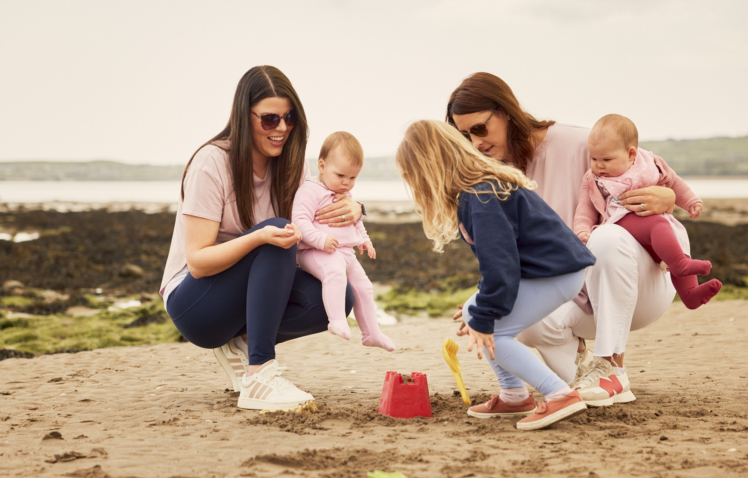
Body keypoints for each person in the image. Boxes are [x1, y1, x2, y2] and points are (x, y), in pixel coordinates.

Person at [446, 72, 681, 407]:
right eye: (465, 134)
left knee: (606, 238)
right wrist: (483, 302)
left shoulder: (580, 143)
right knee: (508, 312)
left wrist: (667, 197)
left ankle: (613, 367)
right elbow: (510, 258)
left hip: (639, 287)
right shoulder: (489, 176)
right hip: (576, 296)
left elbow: (657, 176)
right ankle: (580, 377)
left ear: (506, 112)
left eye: (480, 128)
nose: (475, 142)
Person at [160, 66, 364, 410]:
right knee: (276, 232)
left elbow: (317, 214)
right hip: (194, 304)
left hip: (242, 297)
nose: (282, 128)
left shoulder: (290, 164)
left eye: (289, 118)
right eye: (270, 119)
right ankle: (259, 374)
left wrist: (358, 208)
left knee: (339, 297)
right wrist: (257, 239)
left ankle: (240, 342)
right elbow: (197, 262)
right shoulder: (212, 163)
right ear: (245, 116)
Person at [396, 120, 596, 431]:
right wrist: (478, 304)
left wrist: (485, 313)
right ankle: (515, 395)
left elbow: (501, 267)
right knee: (479, 314)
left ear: (429, 170)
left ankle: (560, 394)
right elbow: (499, 264)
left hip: (556, 273)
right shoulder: (474, 194)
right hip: (543, 272)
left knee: (493, 330)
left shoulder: (483, 196)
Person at [575, 114, 722, 311]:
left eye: (606, 159)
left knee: (676, 236)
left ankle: (690, 295)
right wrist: (582, 231)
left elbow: (674, 182)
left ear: (631, 154)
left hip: (655, 233)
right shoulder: (594, 179)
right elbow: (584, 209)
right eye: (593, 158)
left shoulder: (652, 163)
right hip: (621, 221)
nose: (599, 165)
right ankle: (679, 265)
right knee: (658, 225)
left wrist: (690, 201)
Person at [292, 132, 395, 351]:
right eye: (340, 175)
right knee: (335, 273)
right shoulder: (310, 190)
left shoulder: (343, 192)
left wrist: (365, 241)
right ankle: (337, 320)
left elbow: (355, 220)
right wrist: (321, 240)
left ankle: (371, 334)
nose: (347, 183)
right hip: (315, 251)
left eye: (352, 178)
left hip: (345, 252)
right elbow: (299, 221)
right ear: (321, 165)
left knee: (365, 287)